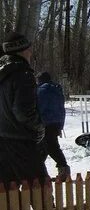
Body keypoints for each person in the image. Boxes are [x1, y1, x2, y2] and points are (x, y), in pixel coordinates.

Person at [0, 36, 47, 186]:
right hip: (21, 142)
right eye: (28, 49)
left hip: (2, 140)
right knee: (39, 191)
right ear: (23, 51)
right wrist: (39, 126)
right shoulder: (23, 75)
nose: (31, 52)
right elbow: (23, 112)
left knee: (6, 192)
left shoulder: (3, 74)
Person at [36, 72, 70, 181]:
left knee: (51, 147)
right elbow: (61, 108)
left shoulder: (41, 90)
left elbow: (39, 107)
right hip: (57, 122)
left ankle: (63, 169)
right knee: (44, 148)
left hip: (45, 122)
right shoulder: (57, 90)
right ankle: (39, 172)